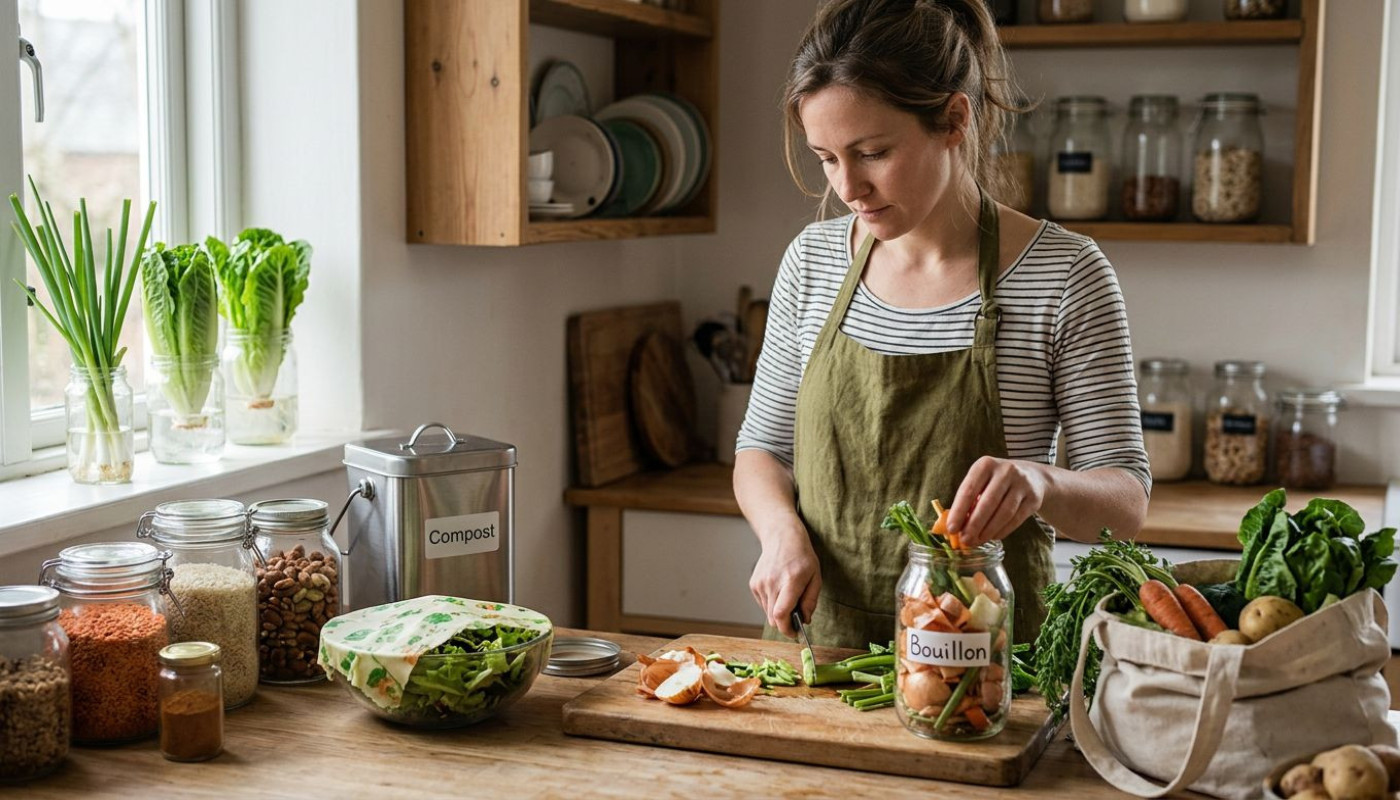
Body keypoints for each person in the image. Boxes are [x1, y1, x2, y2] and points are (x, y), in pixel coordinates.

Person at [734, 0, 1151, 650]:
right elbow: (761, 449)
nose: (848, 187)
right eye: (826, 158)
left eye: (873, 153)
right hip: (820, 649)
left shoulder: (1064, 275)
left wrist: (1041, 483)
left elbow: (1125, 501)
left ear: (954, 120)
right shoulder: (812, 261)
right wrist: (781, 533)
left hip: (985, 665)